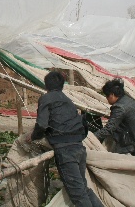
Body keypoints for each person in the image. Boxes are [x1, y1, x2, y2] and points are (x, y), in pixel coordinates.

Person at [27, 71, 103, 207]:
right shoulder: (67, 100)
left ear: (46, 85)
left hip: (65, 150)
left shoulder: (46, 98)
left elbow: (42, 124)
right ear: (63, 85)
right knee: (82, 188)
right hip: (79, 147)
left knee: (78, 194)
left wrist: (33, 137)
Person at [94, 78, 135, 156]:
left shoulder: (119, 108)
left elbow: (109, 129)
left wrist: (92, 137)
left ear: (112, 95)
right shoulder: (127, 100)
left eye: (107, 96)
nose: (107, 99)